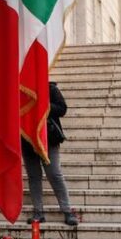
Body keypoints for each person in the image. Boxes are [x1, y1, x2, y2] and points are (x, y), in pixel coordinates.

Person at [23, 81, 78, 226]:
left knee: (54, 173)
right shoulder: (21, 89)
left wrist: (43, 105)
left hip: (49, 138)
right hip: (27, 139)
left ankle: (67, 211)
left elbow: (62, 109)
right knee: (34, 176)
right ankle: (38, 212)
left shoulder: (50, 88)